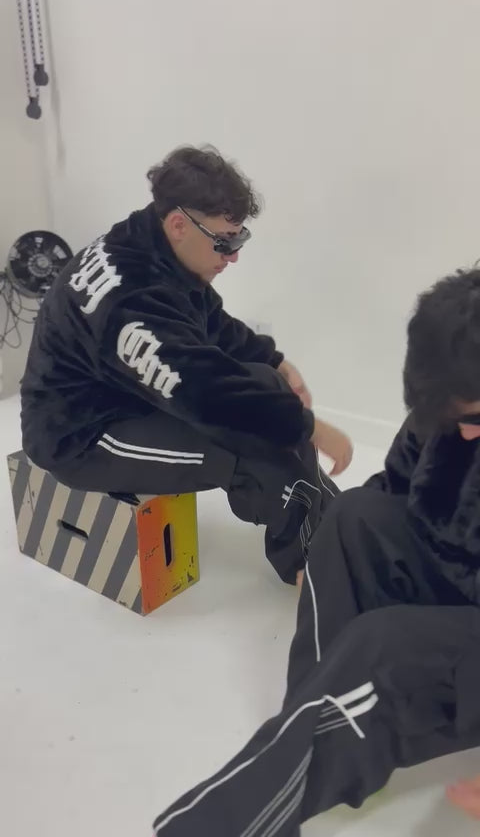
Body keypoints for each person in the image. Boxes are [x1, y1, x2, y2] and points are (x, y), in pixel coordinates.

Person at [151, 267, 480, 836]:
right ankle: (317, 730)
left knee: (385, 648)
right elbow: (396, 491)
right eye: (452, 420)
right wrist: (331, 556)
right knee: (351, 516)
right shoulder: (454, 407)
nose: (464, 433)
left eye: (473, 419)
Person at [20, 146, 352, 585]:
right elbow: (208, 395)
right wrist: (312, 428)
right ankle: (312, 575)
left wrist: (274, 361)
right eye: (225, 242)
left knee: (267, 385)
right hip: (80, 433)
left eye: (240, 239)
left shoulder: (148, 242)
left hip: (127, 390)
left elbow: (205, 319)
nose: (233, 256)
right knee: (251, 450)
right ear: (179, 224)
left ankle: (335, 524)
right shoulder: (129, 303)